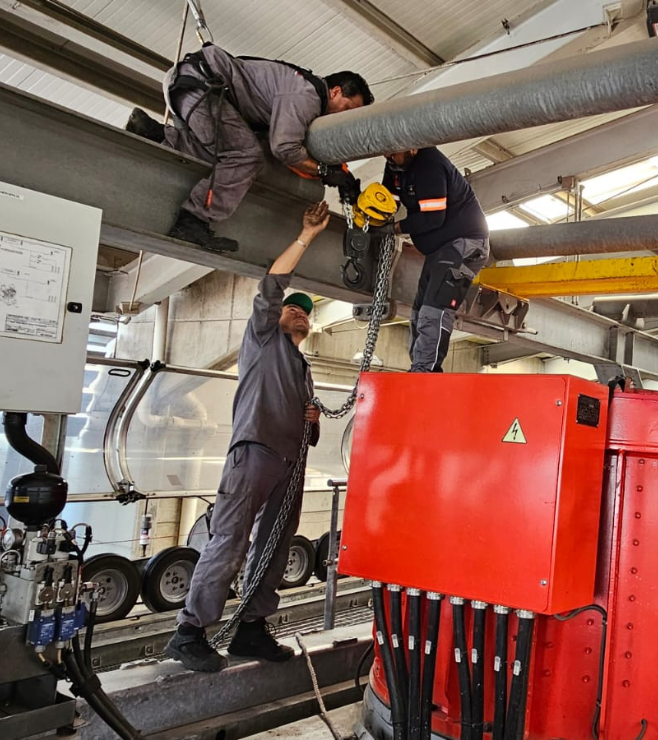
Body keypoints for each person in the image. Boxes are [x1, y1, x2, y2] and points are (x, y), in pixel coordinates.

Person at [164, 202, 330, 672]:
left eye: (306, 313)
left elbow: (308, 433)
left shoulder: (303, 368)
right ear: (277, 316)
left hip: (289, 466)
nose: (300, 315)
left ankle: (252, 630)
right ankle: (189, 631)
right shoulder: (262, 339)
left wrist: (312, 417)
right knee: (231, 539)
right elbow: (272, 286)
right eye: (294, 310)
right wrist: (306, 235)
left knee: (276, 543)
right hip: (254, 454)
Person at [125, 44, 369, 253]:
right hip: (203, 85)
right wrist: (324, 170)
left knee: (225, 153)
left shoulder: (299, 90)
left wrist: (332, 172)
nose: (343, 117)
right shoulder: (307, 95)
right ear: (335, 91)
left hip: (190, 83)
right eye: (347, 108)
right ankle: (193, 220)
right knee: (246, 156)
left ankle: (153, 133)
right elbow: (284, 148)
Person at [381, 147, 490, 372]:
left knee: (434, 309)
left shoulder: (429, 165)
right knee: (419, 311)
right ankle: (419, 366)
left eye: (393, 152)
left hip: (464, 244)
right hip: (440, 250)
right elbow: (387, 199)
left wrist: (394, 228)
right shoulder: (396, 164)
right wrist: (374, 214)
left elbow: (433, 218)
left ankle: (425, 371)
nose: (388, 157)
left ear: (412, 147)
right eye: (385, 153)